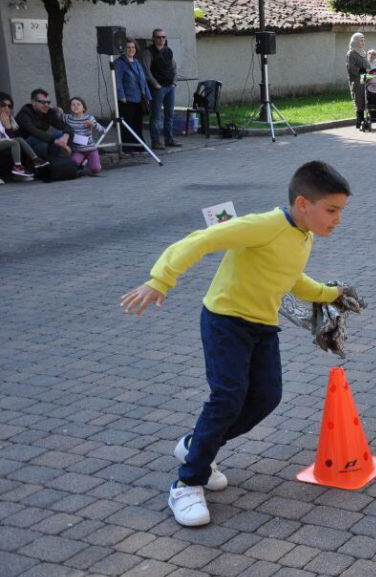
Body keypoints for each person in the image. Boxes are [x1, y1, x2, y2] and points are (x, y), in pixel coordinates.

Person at [120, 161, 354, 527]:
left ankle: (196, 445)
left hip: (262, 326)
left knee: (266, 397)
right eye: (332, 210)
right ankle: (187, 483)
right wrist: (160, 279)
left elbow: (292, 278)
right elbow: (202, 239)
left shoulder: (303, 235)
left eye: (340, 211)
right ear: (303, 203)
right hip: (225, 322)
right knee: (227, 397)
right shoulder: (265, 225)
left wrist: (329, 293)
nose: (338, 219)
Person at [142, 28, 181, 150]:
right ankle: (156, 141)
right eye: (158, 37)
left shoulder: (168, 51)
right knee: (156, 116)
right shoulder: (148, 52)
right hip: (157, 89)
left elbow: (174, 67)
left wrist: (174, 82)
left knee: (169, 115)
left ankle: (169, 139)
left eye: (163, 37)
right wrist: (155, 84)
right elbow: (146, 70)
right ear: (153, 38)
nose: (161, 39)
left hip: (170, 87)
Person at [15, 88, 73, 164]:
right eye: (42, 102)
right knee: (43, 140)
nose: (46, 105)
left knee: (61, 133)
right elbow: (34, 131)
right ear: (33, 102)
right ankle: (41, 165)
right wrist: (56, 141)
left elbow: (65, 126)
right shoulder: (24, 114)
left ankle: (54, 160)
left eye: (48, 102)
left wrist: (65, 137)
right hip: (24, 145)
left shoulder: (49, 112)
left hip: (41, 139)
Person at [114, 38, 152, 151]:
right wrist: (121, 96)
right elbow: (117, 81)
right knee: (127, 125)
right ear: (123, 49)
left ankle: (138, 146)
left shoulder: (137, 62)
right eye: (128, 47)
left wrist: (148, 96)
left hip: (139, 99)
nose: (131, 49)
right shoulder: (119, 63)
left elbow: (143, 81)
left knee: (137, 124)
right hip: (127, 99)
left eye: (133, 47)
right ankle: (128, 148)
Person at [0, 91, 38, 182]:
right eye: (3, 105)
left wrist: (8, 127)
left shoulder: (11, 119)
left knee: (20, 142)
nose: (7, 108)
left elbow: (15, 137)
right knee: (14, 143)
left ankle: (20, 171)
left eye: (9, 106)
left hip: (7, 143)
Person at [63, 96, 102, 176]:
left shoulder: (89, 118)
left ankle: (93, 163)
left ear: (83, 108)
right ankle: (80, 164)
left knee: (95, 169)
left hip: (90, 149)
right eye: (73, 104)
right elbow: (56, 116)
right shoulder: (67, 118)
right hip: (77, 150)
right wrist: (57, 110)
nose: (76, 106)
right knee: (73, 165)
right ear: (70, 107)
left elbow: (102, 130)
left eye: (78, 104)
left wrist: (93, 124)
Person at [346, 32, 370, 130]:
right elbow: (350, 67)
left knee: (365, 98)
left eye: (363, 41)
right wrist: (360, 70)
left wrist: (369, 69)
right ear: (355, 42)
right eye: (361, 41)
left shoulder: (363, 52)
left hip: (365, 79)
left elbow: (368, 65)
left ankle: (363, 120)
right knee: (359, 99)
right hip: (356, 80)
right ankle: (359, 121)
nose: (363, 42)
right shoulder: (351, 53)